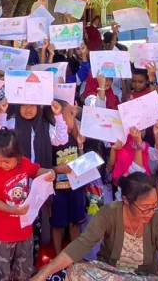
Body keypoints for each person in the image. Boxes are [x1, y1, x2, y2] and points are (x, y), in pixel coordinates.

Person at [32, 172, 158, 281]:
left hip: (143, 277)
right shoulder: (109, 212)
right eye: (145, 207)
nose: (151, 212)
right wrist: (43, 274)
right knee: (76, 270)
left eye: (154, 205)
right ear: (126, 200)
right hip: (109, 272)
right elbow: (80, 245)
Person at [0, 129, 56, 281]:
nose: (2, 165)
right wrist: (11, 209)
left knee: (24, 270)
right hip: (2, 233)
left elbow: (37, 171)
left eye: (7, 161)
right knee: (1, 273)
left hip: (24, 229)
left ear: (17, 156)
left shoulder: (24, 163)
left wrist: (49, 173)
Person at [50, 99, 87, 255]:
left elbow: (82, 160)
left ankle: (74, 257)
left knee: (75, 223)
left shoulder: (75, 136)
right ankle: (58, 256)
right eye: (68, 116)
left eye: (72, 116)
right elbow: (45, 167)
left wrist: (80, 147)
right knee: (58, 225)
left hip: (76, 188)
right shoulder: (52, 139)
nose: (71, 119)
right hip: (58, 190)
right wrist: (59, 169)